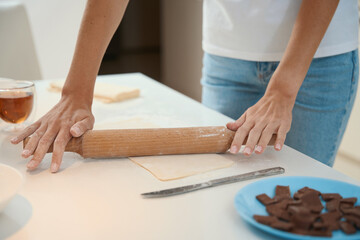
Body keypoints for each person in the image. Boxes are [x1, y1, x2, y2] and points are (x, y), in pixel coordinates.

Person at [11, 0, 359, 173]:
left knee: (298, 200)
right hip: (228, 54)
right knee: (222, 196)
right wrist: (76, 92)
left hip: (316, 60)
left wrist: (283, 89)